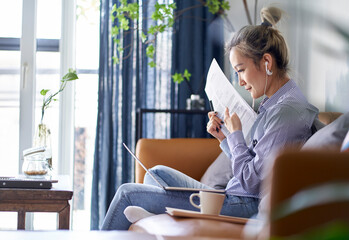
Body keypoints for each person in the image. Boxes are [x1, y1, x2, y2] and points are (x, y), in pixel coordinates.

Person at [101, 6, 318, 230]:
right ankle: (156, 210)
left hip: (242, 204)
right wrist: (224, 138)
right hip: (234, 195)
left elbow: (252, 183)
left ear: (266, 62)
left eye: (241, 70)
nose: (240, 81)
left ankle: (155, 209)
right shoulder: (275, 104)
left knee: (127, 193)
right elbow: (252, 162)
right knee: (156, 173)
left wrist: (235, 136)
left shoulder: (288, 112)